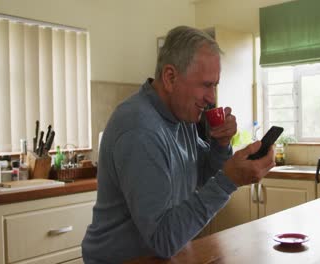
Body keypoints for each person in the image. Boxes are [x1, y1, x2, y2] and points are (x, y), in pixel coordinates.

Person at [82, 25, 275, 263]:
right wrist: (229, 181)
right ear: (170, 77)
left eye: (215, 85)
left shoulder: (179, 115)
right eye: (205, 84)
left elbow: (204, 173)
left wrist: (220, 145)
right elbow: (162, 239)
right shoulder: (140, 130)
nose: (212, 98)